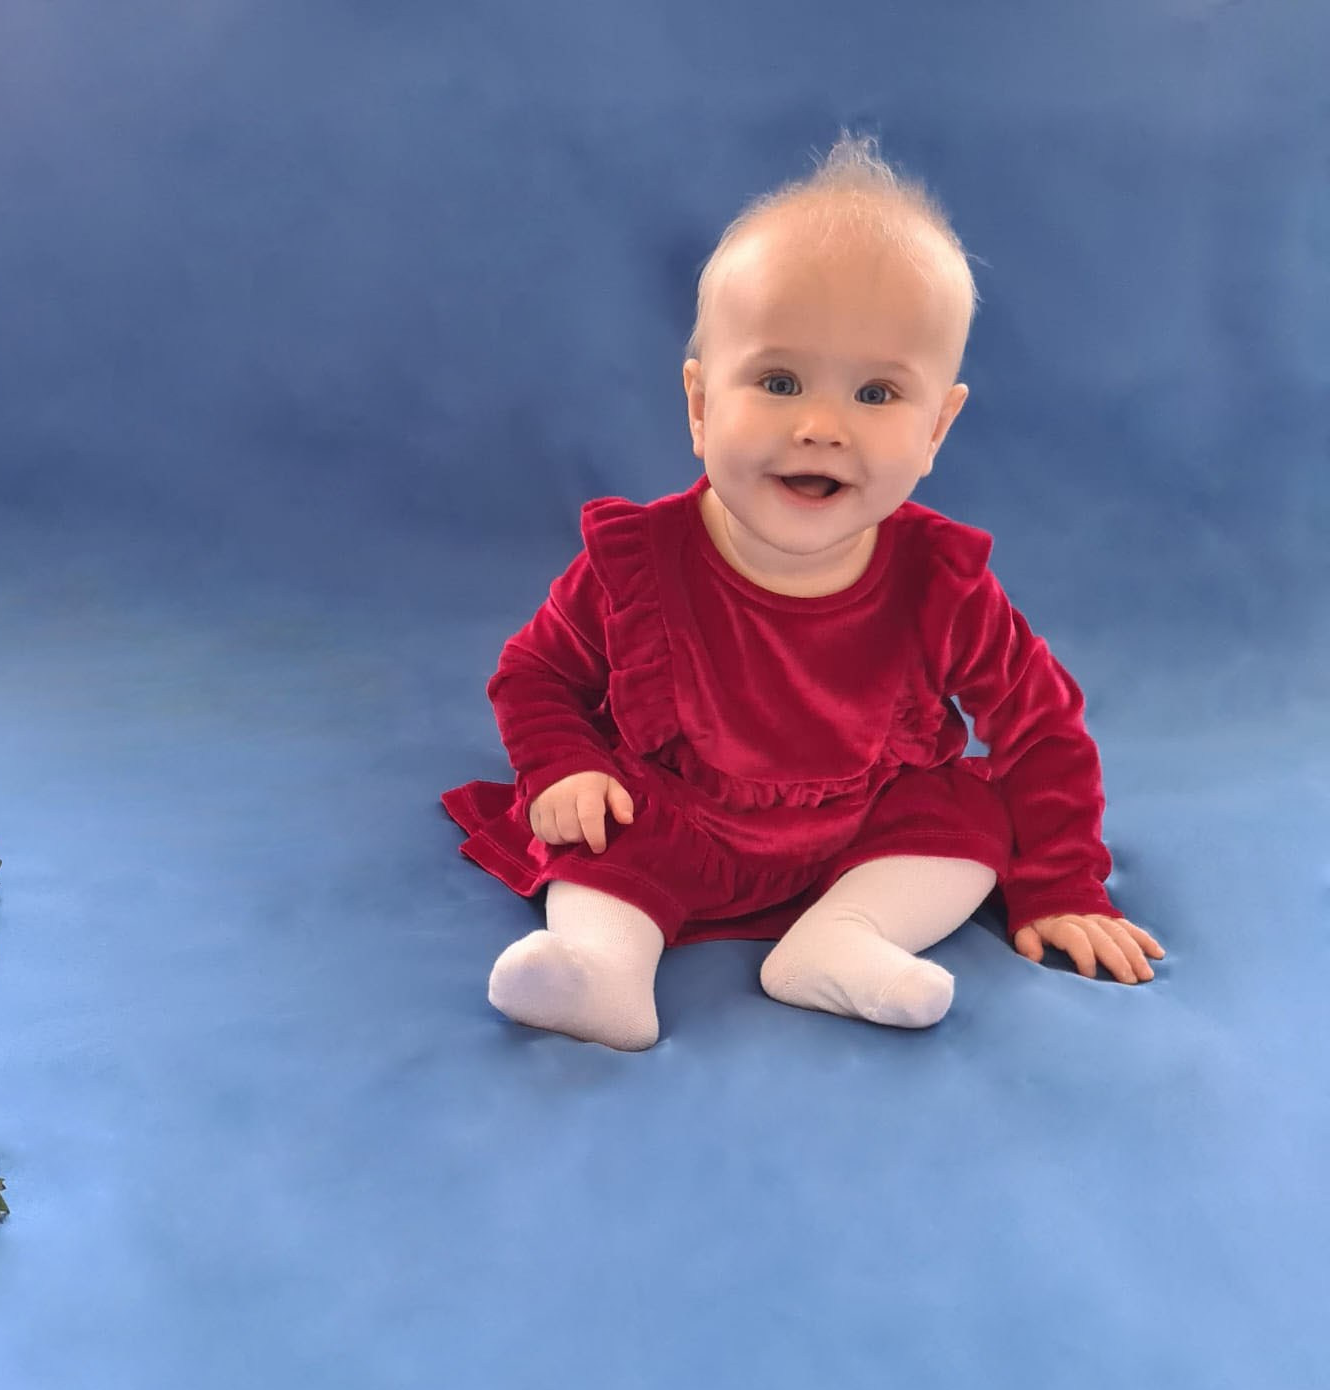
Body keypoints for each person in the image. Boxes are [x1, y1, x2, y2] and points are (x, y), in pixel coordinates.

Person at [441, 132, 1165, 1052]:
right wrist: (562, 768)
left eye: (877, 393)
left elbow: (1041, 728)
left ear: (938, 428)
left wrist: (1063, 881)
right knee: (602, 823)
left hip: (864, 830)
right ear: (701, 407)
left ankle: (841, 941)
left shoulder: (940, 585)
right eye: (779, 382)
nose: (822, 427)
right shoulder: (639, 565)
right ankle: (602, 970)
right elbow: (535, 675)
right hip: (682, 817)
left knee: (970, 817)